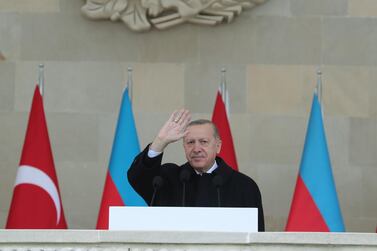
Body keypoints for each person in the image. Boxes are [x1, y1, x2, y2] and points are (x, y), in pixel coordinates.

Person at [127, 109, 265, 231]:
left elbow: (257, 239)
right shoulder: (167, 179)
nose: (196, 149)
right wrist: (160, 141)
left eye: (203, 142)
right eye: (190, 142)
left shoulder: (244, 186)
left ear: (218, 146)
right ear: (184, 146)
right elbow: (137, 178)